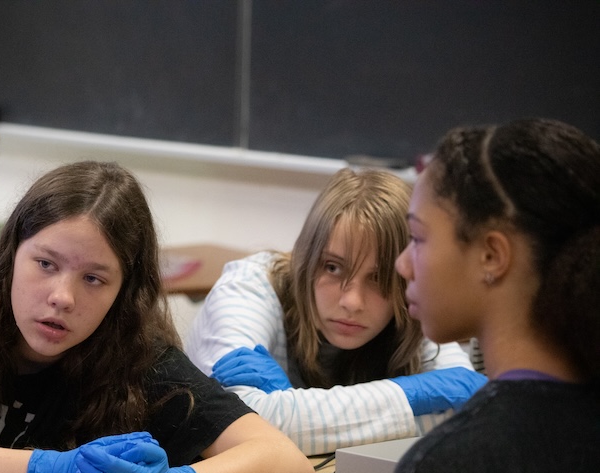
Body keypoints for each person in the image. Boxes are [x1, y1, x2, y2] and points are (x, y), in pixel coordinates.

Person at [188, 118, 600, 473]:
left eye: (418, 240)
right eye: (333, 268)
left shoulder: (447, 472)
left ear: (492, 256)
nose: (405, 267)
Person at [0, 160, 314, 473]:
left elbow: (283, 460)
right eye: (45, 263)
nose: (62, 297)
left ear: (123, 293)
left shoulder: (135, 354)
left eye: (94, 279)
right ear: (11, 254)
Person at [184, 167, 486, 456]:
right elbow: (238, 427)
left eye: (378, 278)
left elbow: (469, 416)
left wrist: (287, 411)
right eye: (332, 267)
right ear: (306, 255)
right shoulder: (247, 287)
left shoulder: (411, 303)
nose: (352, 301)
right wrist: (410, 394)